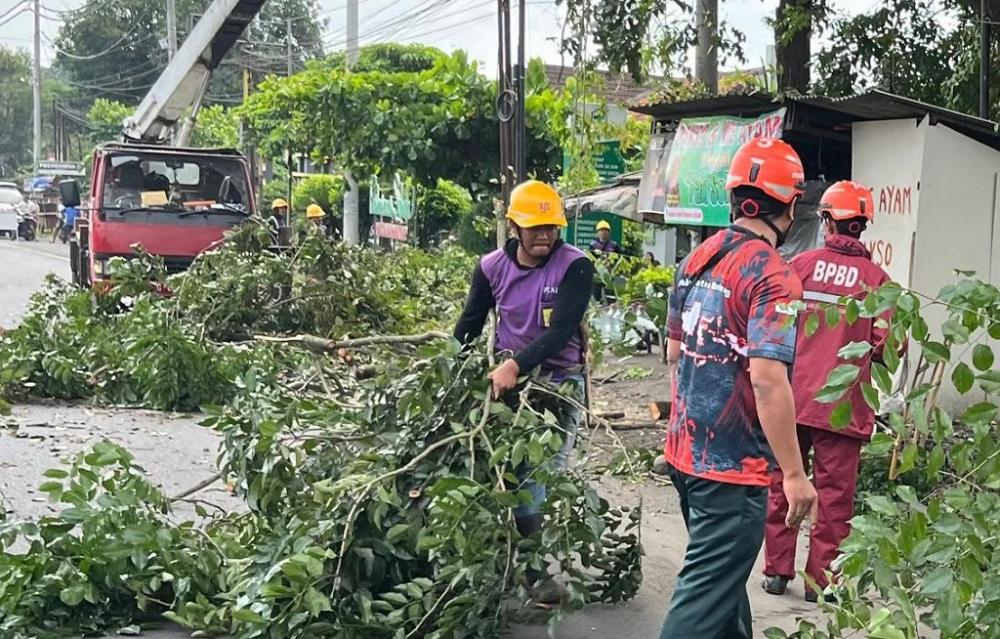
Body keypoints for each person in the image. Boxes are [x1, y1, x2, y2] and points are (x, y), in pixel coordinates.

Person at [659, 137, 818, 639]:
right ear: (790, 205)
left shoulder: (696, 259)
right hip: (733, 473)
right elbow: (768, 378)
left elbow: (674, 354)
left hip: (686, 456)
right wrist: (794, 473)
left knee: (720, 591)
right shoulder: (775, 275)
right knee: (702, 599)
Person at [453, 180, 595, 604]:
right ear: (513, 226)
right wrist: (450, 370)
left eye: (551, 227)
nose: (545, 236)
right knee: (500, 472)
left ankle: (535, 574)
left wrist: (515, 365)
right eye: (535, 228)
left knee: (535, 475)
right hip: (508, 389)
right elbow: (469, 325)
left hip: (558, 385)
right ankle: (501, 554)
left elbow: (562, 331)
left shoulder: (575, 266)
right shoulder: (491, 267)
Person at [762, 180, 891, 603]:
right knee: (835, 499)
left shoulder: (799, 267)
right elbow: (888, 348)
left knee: (784, 480)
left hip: (792, 399)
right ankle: (821, 582)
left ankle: (776, 571)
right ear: (862, 226)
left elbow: (774, 331)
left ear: (827, 220)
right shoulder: (881, 284)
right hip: (844, 407)